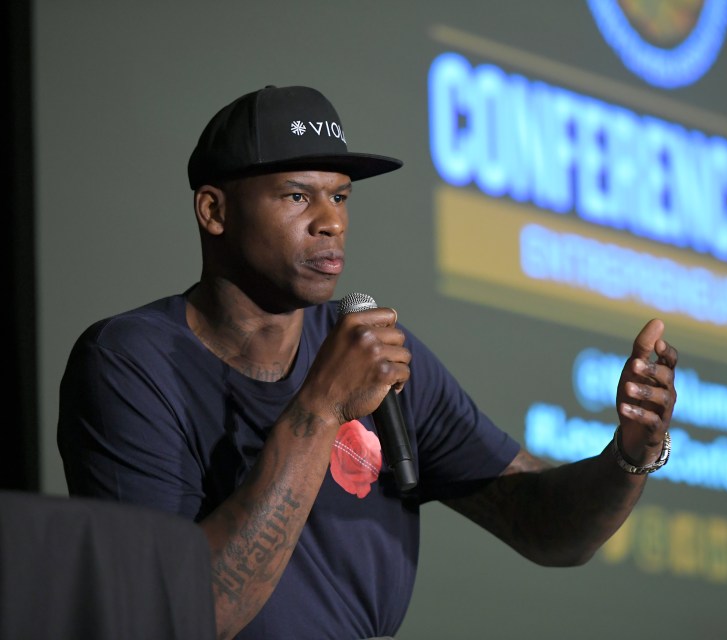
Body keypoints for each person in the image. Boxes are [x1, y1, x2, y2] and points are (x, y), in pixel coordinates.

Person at [57, 84, 678, 640]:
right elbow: (175, 615)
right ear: (214, 211)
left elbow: (544, 527)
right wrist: (322, 407)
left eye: (340, 196)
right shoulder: (130, 364)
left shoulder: (376, 353)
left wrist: (630, 455)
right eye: (297, 195)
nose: (331, 222)